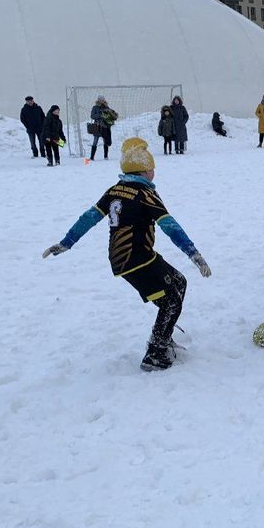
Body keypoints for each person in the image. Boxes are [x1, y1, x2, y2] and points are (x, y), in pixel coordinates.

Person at [42, 137, 212, 371]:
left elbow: (89, 217)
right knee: (172, 297)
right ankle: (155, 353)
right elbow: (170, 225)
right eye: (152, 167)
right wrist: (194, 254)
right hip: (137, 259)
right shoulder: (145, 194)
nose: (154, 171)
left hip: (125, 258)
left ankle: (162, 338)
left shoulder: (115, 190)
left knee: (177, 285)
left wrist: (66, 242)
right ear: (144, 170)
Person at [89, 96, 118, 161]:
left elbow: (110, 115)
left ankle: (106, 156)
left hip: (105, 126)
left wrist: (110, 115)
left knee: (106, 140)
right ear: (98, 100)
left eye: (103, 100)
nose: (102, 101)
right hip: (98, 126)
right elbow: (92, 116)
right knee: (95, 141)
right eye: (100, 100)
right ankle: (92, 157)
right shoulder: (95, 107)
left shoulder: (106, 107)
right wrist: (100, 115)